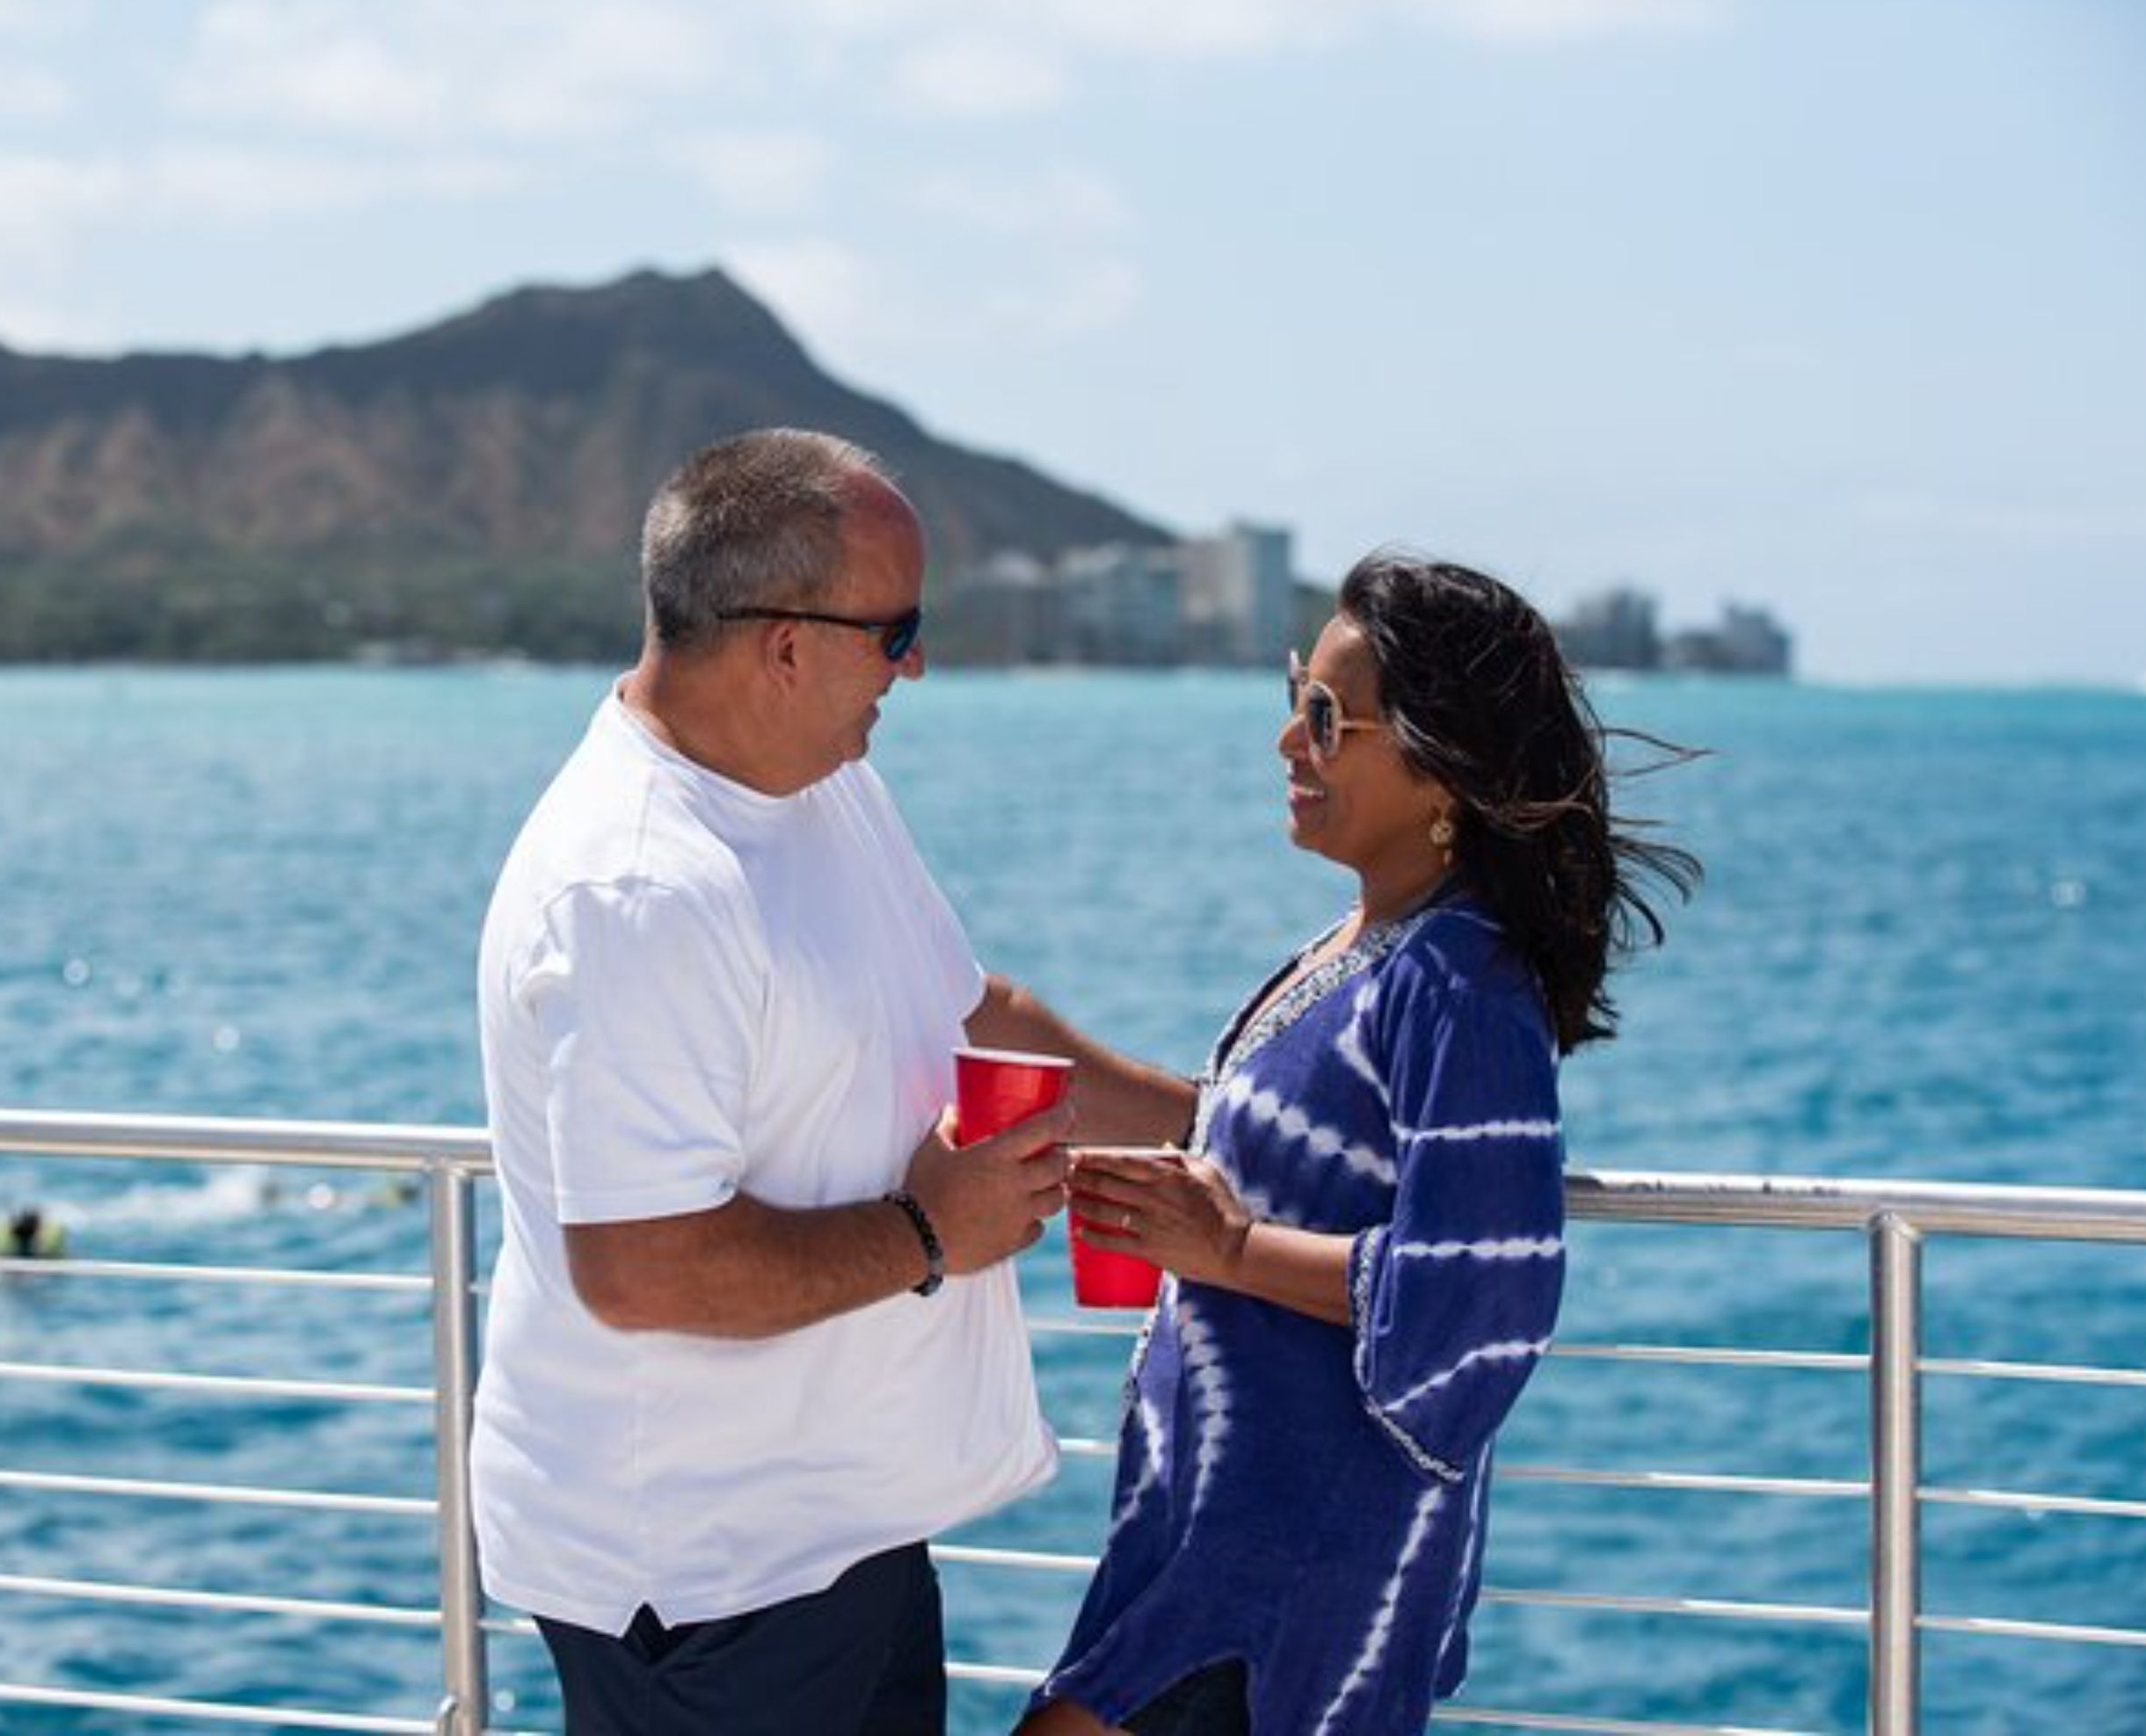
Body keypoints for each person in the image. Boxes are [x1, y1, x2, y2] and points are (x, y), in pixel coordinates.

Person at [469, 428, 1183, 1736]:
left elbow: (970, 1010)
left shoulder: (819, 783)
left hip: (834, 1529)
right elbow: (640, 1269)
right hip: (701, 1583)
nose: (917, 663)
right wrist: (932, 1233)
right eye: (894, 629)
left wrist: (1224, 1117)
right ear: (783, 644)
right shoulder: (636, 889)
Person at [1020, 552, 1699, 1736]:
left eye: (1328, 718)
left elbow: (1485, 1295)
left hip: (1289, 1575)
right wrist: (1024, 1044)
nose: (1291, 743)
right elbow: (1275, 1146)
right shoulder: (1364, 948)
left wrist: (1223, 1246)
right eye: (1295, 696)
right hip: (1210, 1537)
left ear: (1446, 765)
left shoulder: (1460, 984)